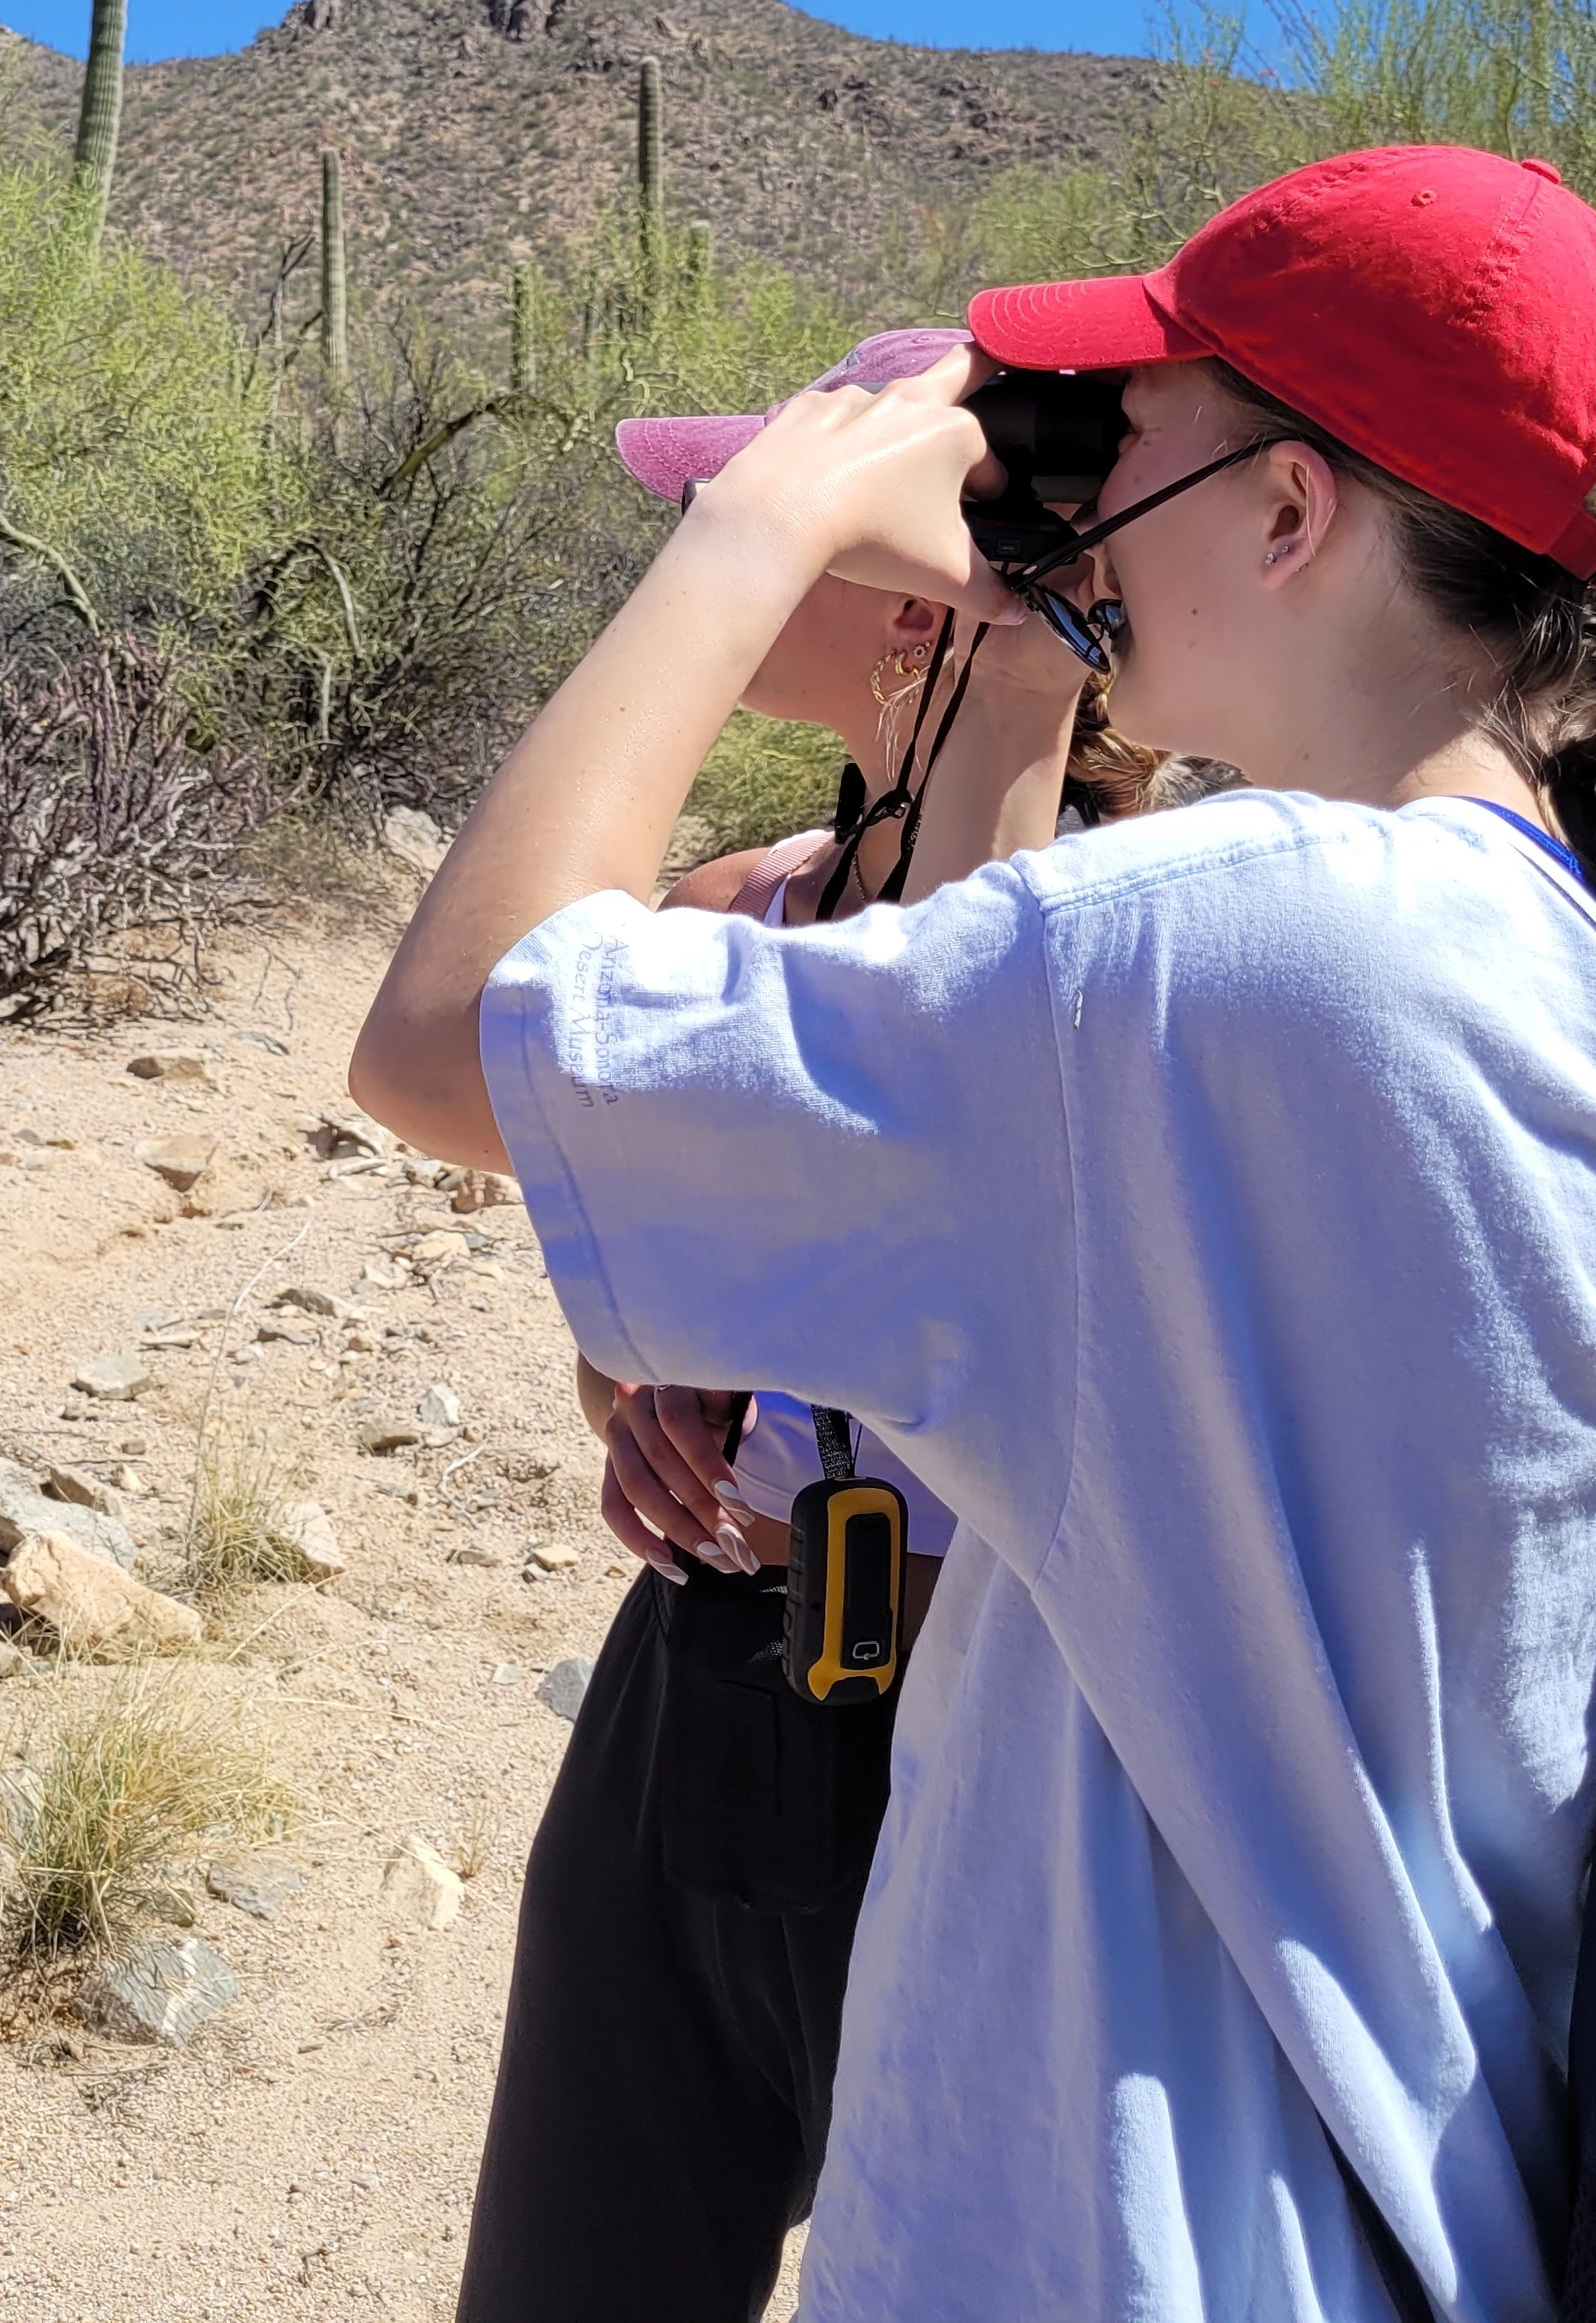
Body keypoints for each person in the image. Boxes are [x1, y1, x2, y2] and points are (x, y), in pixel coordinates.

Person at [354, 146, 1596, 2321]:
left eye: (1135, 423)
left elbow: (436, 1039)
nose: (1095, 478)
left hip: (1131, 2241)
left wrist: (756, 528)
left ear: (1290, 509)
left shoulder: (1189, 969)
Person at [458, 331, 1121, 2323]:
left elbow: (955, 1084)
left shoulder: (1127, 944)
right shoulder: (754, 900)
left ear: (926, 608)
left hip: (989, 1718)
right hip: (707, 1669)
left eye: (781, 515)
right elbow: (582, 1189)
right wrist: (632, 1375)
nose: (701, 528)